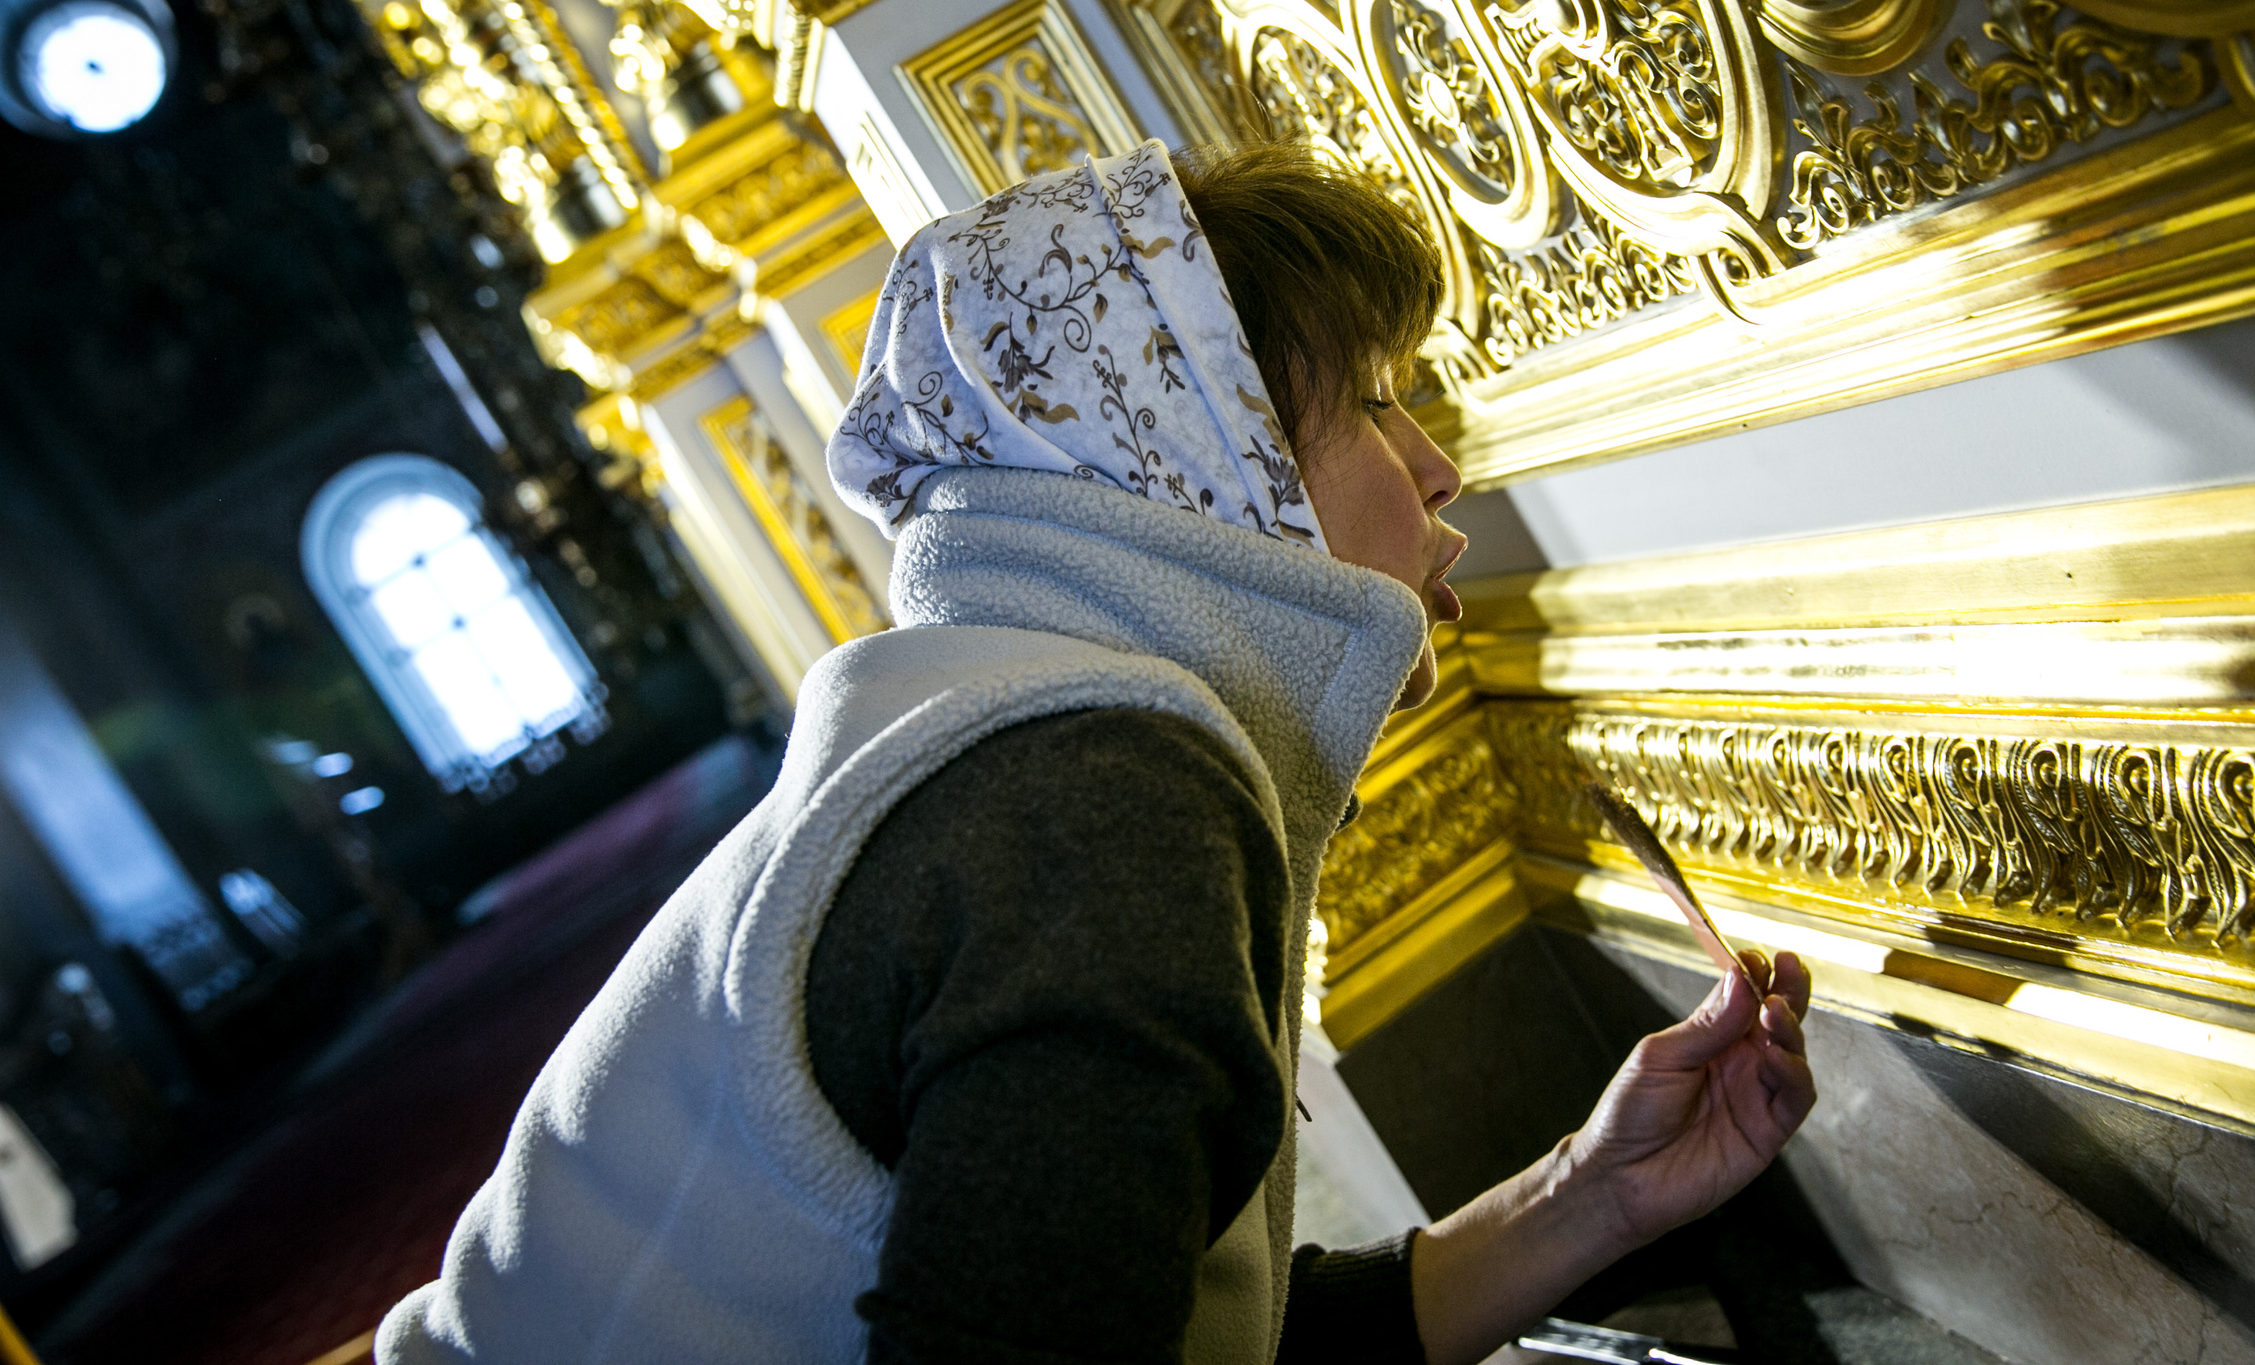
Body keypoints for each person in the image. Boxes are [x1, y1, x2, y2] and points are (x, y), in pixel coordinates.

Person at [376, 140, 1815, 1365]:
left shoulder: (1007, 724)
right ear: (1203, 459)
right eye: (1373, 402)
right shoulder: (1097, 801)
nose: (1437, 465)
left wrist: (1594, 1194)